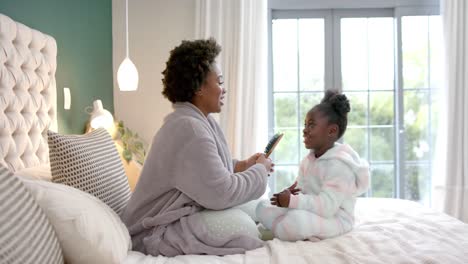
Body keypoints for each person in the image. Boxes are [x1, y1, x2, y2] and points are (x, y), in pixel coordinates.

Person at [121, 38, 273, 257]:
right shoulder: (189, 129)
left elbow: (204, 170)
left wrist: (242, 165)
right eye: (219, 81)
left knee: (258, 207)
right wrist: (259, 171)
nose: (224, 89)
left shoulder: (195, 121)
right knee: (244, 229)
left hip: (174, 217)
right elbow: (221, 193)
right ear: (200, 87)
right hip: (151, 233)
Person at [256, 90, 369, 242]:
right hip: (313, 211)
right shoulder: (308, 160)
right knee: (262, 207)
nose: (304, 130)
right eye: (305, 125)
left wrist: (292, 202)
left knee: (297, 220)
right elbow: (302, 190)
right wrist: (290, 194)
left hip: (336, 218)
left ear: (332, 131)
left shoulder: (340, 166)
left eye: (311, 125)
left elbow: (327, 207)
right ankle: (280, 228)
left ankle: (275, 230)